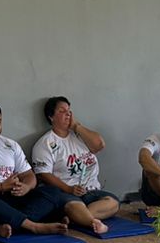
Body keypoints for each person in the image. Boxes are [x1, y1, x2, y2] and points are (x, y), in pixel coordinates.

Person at [0, 101, 74, 237]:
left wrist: (26, 186)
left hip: (10, 198)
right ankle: (33, 226)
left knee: (52, 191)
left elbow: (29, 175)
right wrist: (1, 187)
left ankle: (6, 225)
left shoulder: (10, 145)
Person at [31, 96, 120, 230]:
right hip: (66, 193)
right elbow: (43, 174)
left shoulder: (79, 135)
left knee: (113, 203)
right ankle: (93, 223)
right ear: (51, 117)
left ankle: (75, 218)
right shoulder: (45, 143)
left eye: (69, 111)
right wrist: (69, 189)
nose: (68, 114)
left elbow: (99, 145)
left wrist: (77, 126)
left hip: (91, 191)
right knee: (74, 206)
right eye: (62, 111)